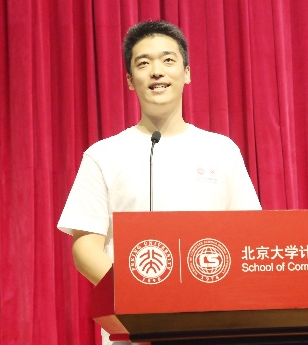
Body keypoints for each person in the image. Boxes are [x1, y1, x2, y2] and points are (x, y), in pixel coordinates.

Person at [57, 20, 261, 344]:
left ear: (187, 73)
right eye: (143, 63)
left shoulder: (222, 150)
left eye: (168, 60)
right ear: (130, 79)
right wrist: (135, 294)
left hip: (213, 323)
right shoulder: (103, 155)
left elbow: (249, 235)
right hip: (134, 329)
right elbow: (85, 246)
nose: (156, 72)